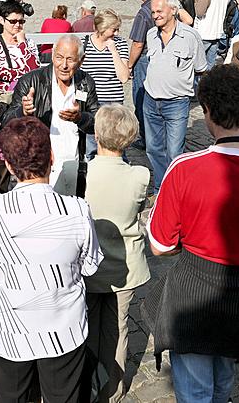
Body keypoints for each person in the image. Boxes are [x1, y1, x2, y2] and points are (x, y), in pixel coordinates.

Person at [142, 64, 239, 401]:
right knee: (224, 374)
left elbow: (159, 245)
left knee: (194, 385)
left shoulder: (185, 168)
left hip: (196, 286)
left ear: (207, 111)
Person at [0, 116, 100, 402]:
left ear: (11, 167)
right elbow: (89, 266)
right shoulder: (76, 209)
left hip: (10, 332)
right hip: (63, 331)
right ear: (51, 158)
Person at [84, 104, 148, 402]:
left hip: (88, 266)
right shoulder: (140, 175)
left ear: (96, 135)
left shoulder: (81, 171)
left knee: (85, 326)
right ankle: (113, 390)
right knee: (118, 329)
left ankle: (86, 383)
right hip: (126, 265)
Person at [2, 35, 100, 196]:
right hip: (38, 165)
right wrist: (23, 112)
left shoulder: (85, 82)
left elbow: (97, 124)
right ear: (52, 56)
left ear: (81, 61)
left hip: (72, 163)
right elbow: (6, 123)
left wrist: (79, 118)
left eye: (70, 59)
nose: (64, 65)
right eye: (59, 58)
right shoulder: (31, 81)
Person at [144, 0, 207, 193]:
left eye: (159, 11)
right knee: (153, 149)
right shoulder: (151, 35)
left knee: (174, 151)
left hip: (177, 103)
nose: (155, 15)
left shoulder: (190, 36)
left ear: (173, 10)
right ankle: (160, 189)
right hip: (151, 100)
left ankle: (175, 190)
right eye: (153, 12)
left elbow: (201, 68)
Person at [79, 9, 130, 159]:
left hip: (113, 101)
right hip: (92, 102)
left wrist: (113, 51)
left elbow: (124, 77)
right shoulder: (84, 44)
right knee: (92, 144)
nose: (116, 33)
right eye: (113, 29)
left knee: (117, 143)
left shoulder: (120, 44)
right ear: (102, 29)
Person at [128, 0, 161, 148]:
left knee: (141, 98)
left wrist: (129, 64)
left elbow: (138, 43)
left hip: (144, 59)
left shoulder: (144, 13)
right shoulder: (166, 6)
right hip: (160, 57)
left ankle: (146, 137)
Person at [0, 0, 40, 94]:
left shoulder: (29, 43)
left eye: (21, 21)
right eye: (13, 21)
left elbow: (35, 69)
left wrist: (22, 44)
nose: (17, 25)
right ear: (2, 20)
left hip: (26, 97)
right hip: (2, 98)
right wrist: (26, 74)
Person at [194, 0, 230, 69]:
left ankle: (198, 84)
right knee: (210, 64)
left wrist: (197, 2)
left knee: (198, 64)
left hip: (204, 32)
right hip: (218, 32)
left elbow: (199, 12)